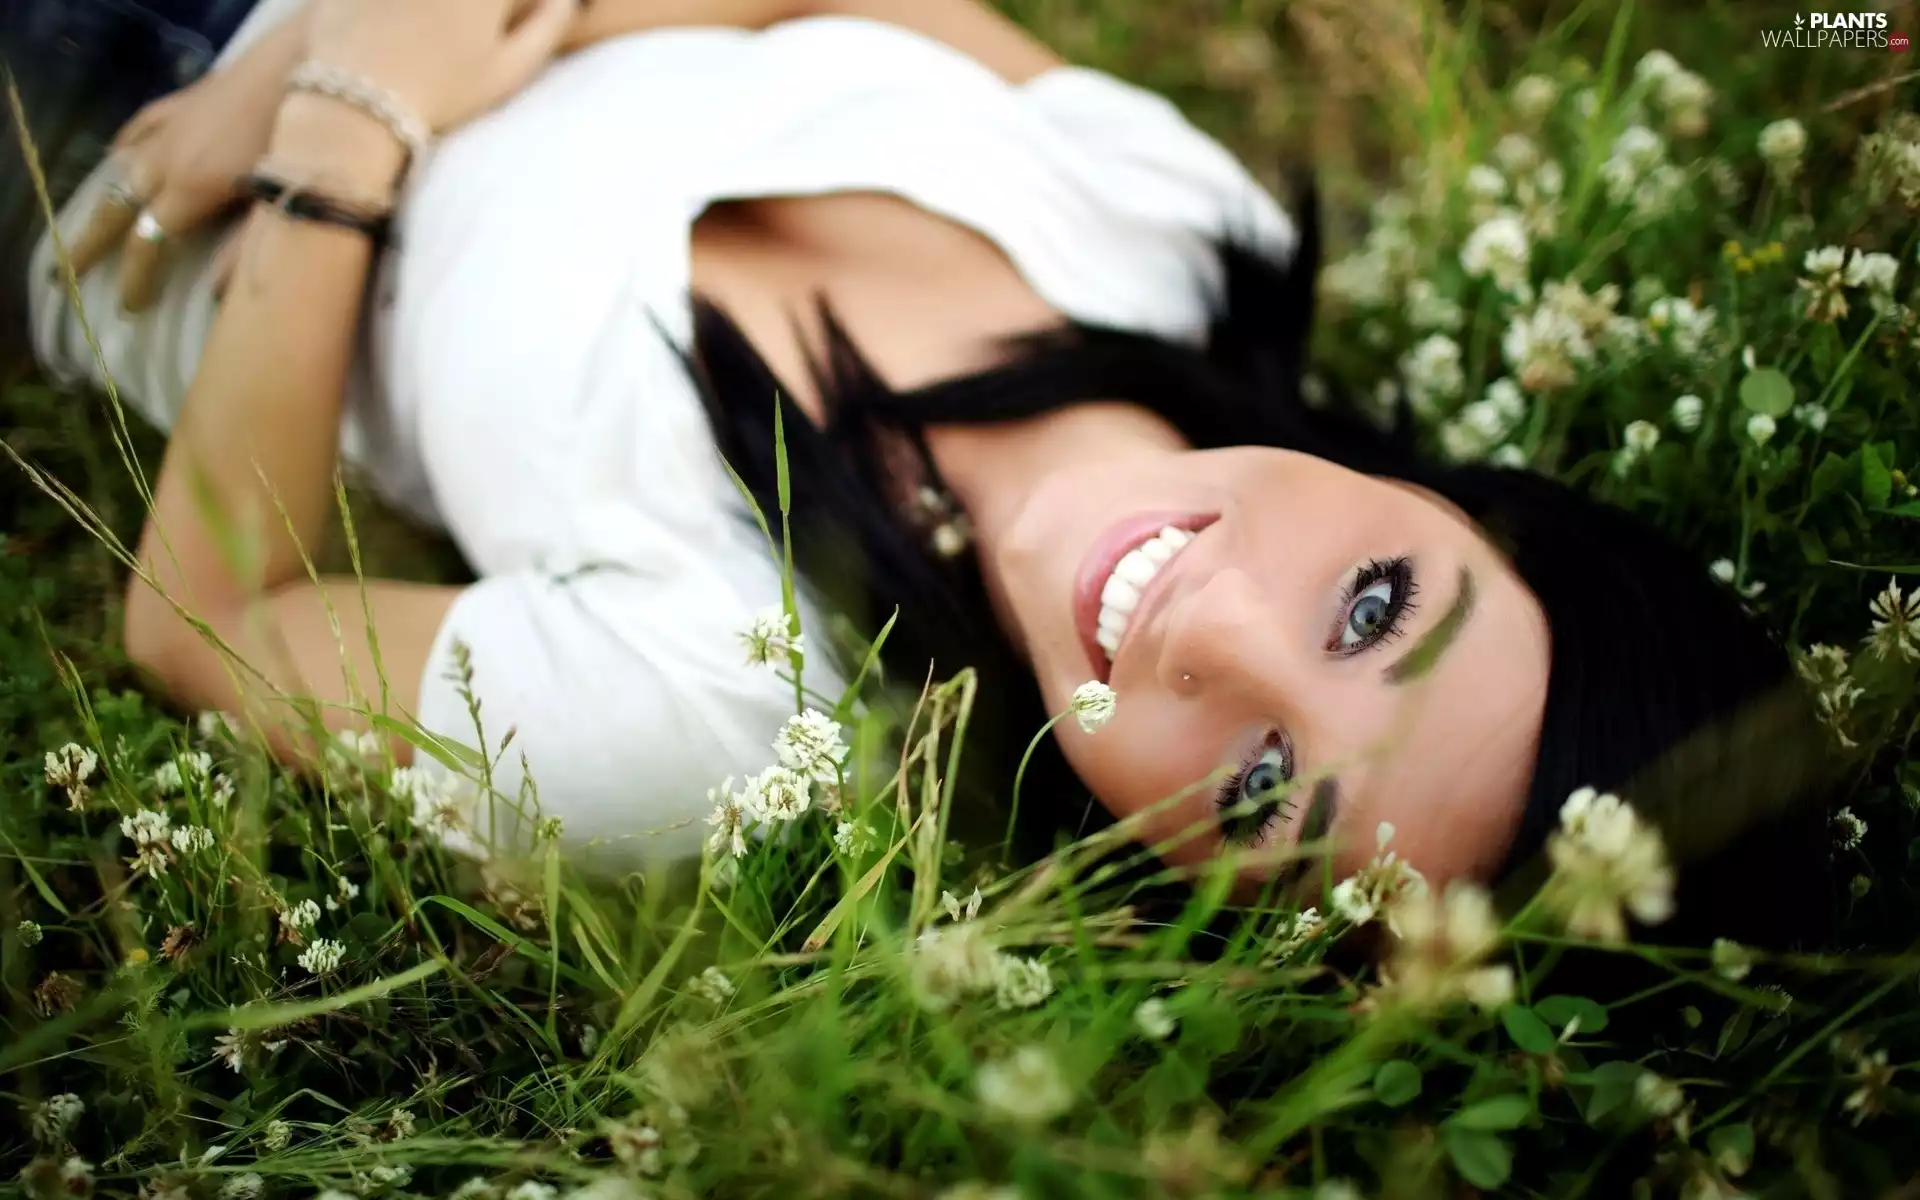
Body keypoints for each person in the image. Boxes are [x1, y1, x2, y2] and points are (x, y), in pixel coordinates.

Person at [24, 0, 1831, 942]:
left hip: (105, 141)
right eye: (1375, 608)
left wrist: (344, 133)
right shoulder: (1174, 232)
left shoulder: (729, 717)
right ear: (1468, 510)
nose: (1215, 628)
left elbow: (204, 613)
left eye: (1271, 787)